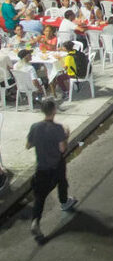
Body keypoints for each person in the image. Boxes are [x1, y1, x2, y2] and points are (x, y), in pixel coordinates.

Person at [27, 99, 77, 239]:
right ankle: (64, 201)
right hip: (56, 166)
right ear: (54, 110)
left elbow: (28, 145)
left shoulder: (35, 127)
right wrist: (66, 136)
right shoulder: (57, 129)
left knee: (40, 197)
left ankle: (35, 221)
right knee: (62, 181)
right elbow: (62, 149)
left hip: (41, 167)